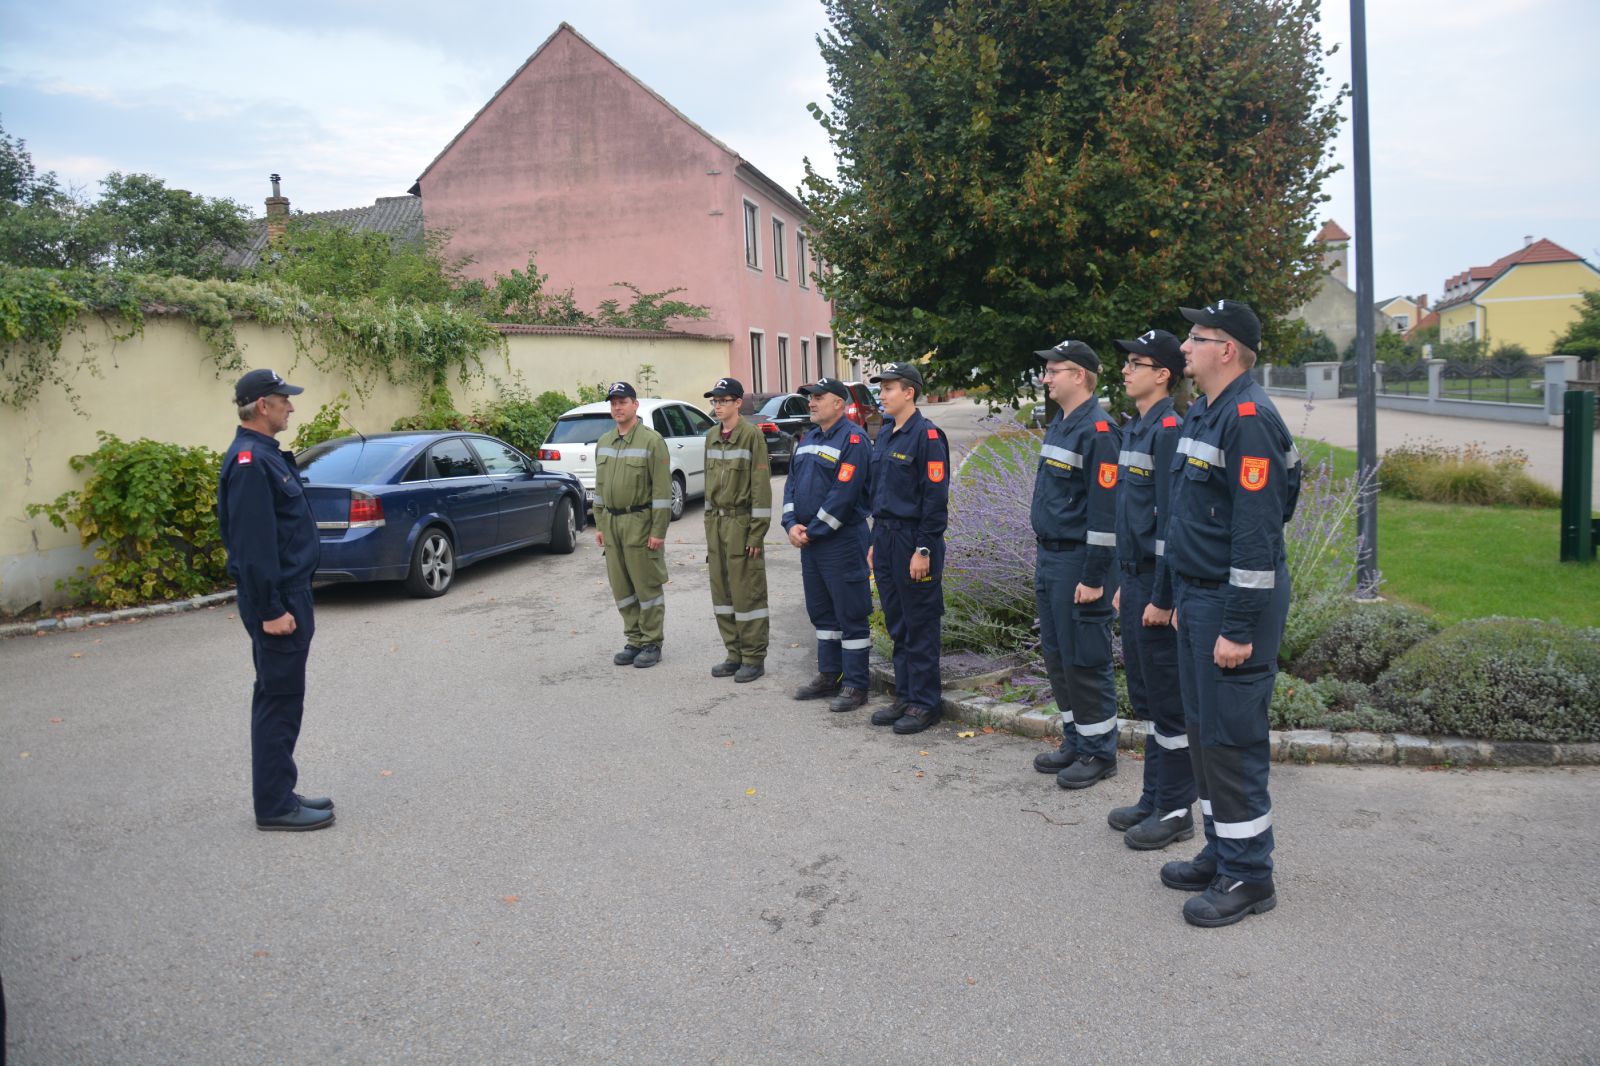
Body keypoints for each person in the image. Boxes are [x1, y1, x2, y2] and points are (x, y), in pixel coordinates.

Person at [1155, 299, 1302, 927]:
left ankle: (1249, 874)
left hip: (1231, 602)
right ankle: (1222, 851)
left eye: (1196, 337)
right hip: (1200, 596)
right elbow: (1185, 514)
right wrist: (1177, 596)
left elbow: (1258, 530)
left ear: (1227, 350)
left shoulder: (1248, 419)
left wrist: (1238, 626)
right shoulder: (1205, 410)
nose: (1184, 347)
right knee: (1205, 734)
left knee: (1233, 739)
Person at [217, 368, 333, 832]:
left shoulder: (264, 455)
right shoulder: (250, 462)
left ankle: (280, 790)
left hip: (289, 593)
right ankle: (274, 805)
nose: (291, 406)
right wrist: (271, 610)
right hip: (278, 599)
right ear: (263, 405)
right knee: (279, 700)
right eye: (285, 400)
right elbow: (253, 546)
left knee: (282, 696)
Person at [1108, 329, 1197, 849]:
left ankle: (1176, 810)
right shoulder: (1137, 427)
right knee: (1148, 698)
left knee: (1169, 701)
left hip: (1155, 583)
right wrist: (1126, 581)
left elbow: (1170, 525)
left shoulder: (1167, 431)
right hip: (1135, 579)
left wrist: (1163, 596)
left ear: (1163, 374)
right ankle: (1154, 797)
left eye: (1136, 364)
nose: (1126, 370)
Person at [1027, 339, 1122, 789]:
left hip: (1078, 562)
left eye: (1054, 371)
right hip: (1050, 558)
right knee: (1058, 655)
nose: (1045, 378)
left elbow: (1106, 514)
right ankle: (1076, 739)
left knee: (1085, 658)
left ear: (1079, 375)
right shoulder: (1061, 424)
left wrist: (1094, 576)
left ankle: (1099, 752)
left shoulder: (1099, 432)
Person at [865, 361, 950, 735]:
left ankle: (925, 703)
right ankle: (905, 694)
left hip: (913, 540)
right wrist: (874, 541)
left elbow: (935, 499)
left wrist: (924, 549)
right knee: (898, 621)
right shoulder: (886, 433)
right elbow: (880, 494)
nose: (881, 395)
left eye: (888, 389)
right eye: (881, 389)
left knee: (920, 622)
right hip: (885, 538)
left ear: (909, 392)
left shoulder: (927, 437)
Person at [783, 377, 875, 713]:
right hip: (813, 542)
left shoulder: (854, 440)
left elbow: (843, 496)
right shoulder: (808, 438)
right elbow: (791, 484)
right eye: (811, 397)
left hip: (842, 541)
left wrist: (813, 531)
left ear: (839, 403)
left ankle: (856, 684)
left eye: (819, 397)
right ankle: (829, 675)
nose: (812, 402)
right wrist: (791, 524)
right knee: (822, 612)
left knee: (851, 612)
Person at [594, 381, 673, 668]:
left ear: (635, 405)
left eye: (623, 402)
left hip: (640, 523)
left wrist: (658, 531)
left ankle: (652, 642)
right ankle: (635, 639)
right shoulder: (604, 442)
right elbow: (600, 488)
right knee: (622, 587)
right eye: (614, 403)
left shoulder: (652, 441)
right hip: (612, 523)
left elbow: (662, 492)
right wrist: (600, 524)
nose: (617, 407)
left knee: (646, 586)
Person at [702, 377, 772, 683]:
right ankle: (734, 654)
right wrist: (708, 527)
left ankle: (753, 657)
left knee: (748, 593)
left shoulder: (751, 436)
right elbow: (709, 486)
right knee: (722, 592)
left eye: (724, 401)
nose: (718, 407)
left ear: (738, 403)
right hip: (716, 524)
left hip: (741, 523)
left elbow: (761, 488)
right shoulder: (711, 436)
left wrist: (756, 533)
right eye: (715, 401)